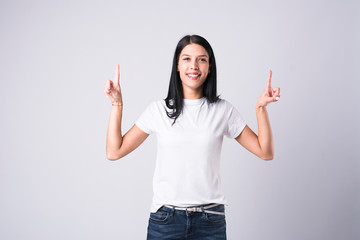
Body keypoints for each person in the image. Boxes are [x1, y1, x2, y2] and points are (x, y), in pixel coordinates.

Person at [104, 35, 280, 240]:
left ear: (210, 66)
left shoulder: (222, 110)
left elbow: (265, 152)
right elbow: (114, 151)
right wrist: (117, 105)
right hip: (165, 221)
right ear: (177, 66)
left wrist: (260, 108)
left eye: (202, 59)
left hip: (210, 221)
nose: (194, 66)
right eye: (186, 59)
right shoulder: (159, 110)